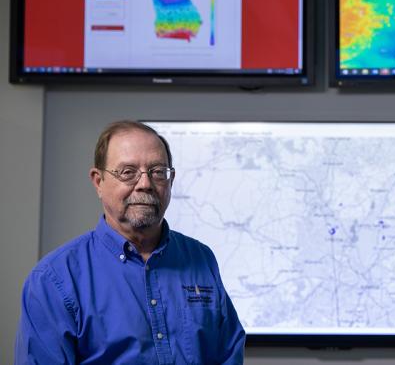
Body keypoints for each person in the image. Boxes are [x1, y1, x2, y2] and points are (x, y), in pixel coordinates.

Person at [15, 120, 245, 364]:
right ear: (98, 182)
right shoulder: (54, 279)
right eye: (127, 172)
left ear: (171, 181)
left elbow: (228, 352)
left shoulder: (200, 258)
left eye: (157, 172)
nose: (145, 184)